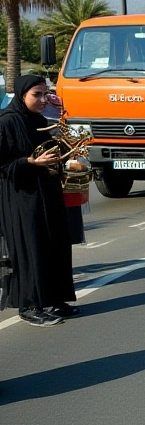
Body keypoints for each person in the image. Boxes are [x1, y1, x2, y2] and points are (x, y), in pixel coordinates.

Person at [0, 75, 78, 326]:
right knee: (31, 248)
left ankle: (56, 299)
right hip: (22, 197)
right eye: (37, 95)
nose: (43, 100)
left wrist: (67, 154)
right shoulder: (7, 122)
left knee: (55, 244)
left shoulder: (41, 121)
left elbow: (52, 153)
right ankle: (30, 306)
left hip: (48, 193)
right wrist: (30, 162)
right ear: (22, 95)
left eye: (46, 94)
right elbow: (3, 165)